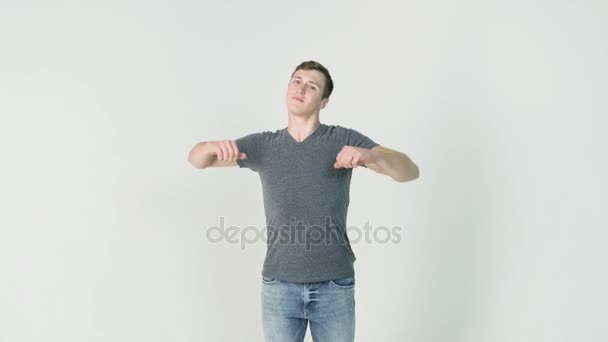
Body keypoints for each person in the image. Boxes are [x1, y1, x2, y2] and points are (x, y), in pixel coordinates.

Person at [188, 60, 419, 342]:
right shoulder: (263, 145)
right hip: (279, 286)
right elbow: (198, 160)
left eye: (312, 86)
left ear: (323, 102)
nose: (301, 89)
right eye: (296, 81)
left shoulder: (342, 139)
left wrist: (370, 156)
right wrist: (208, 147)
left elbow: (409, 171)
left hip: (334, 284)